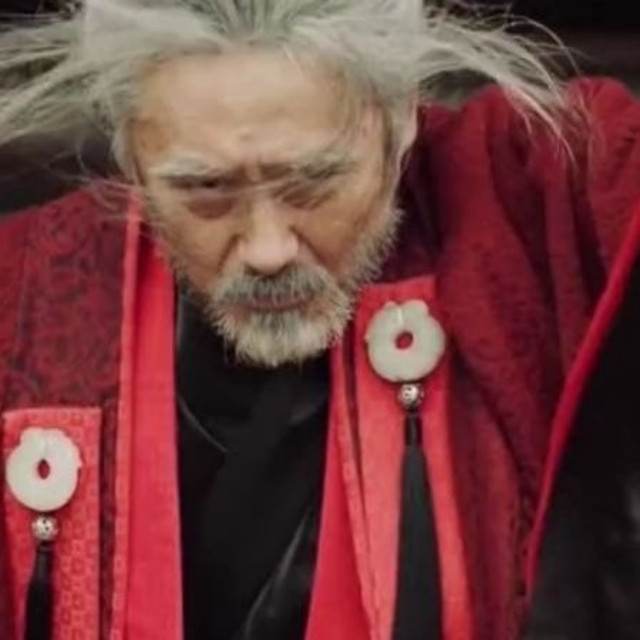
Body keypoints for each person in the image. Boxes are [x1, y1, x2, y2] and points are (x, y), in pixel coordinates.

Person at [0, 2, 639, 640]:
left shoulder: (520, 200)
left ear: (399, 121)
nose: (268, 250)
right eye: (207, 191)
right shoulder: (22, 286)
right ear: (133, 156)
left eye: (313, 184)